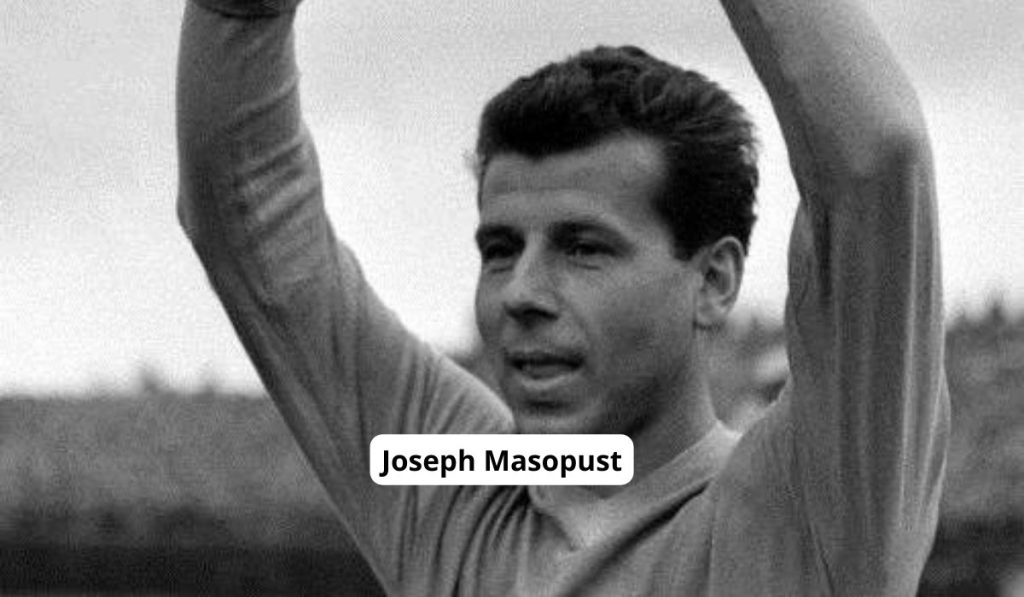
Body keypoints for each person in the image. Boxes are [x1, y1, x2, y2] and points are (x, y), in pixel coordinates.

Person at [177, 0, 949, 594]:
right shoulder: (457, 492)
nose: (521, 292)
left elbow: (875, 160)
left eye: (583, 248)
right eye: (499, 249)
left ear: (713, 280)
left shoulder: (813, 510)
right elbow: (252, 224)